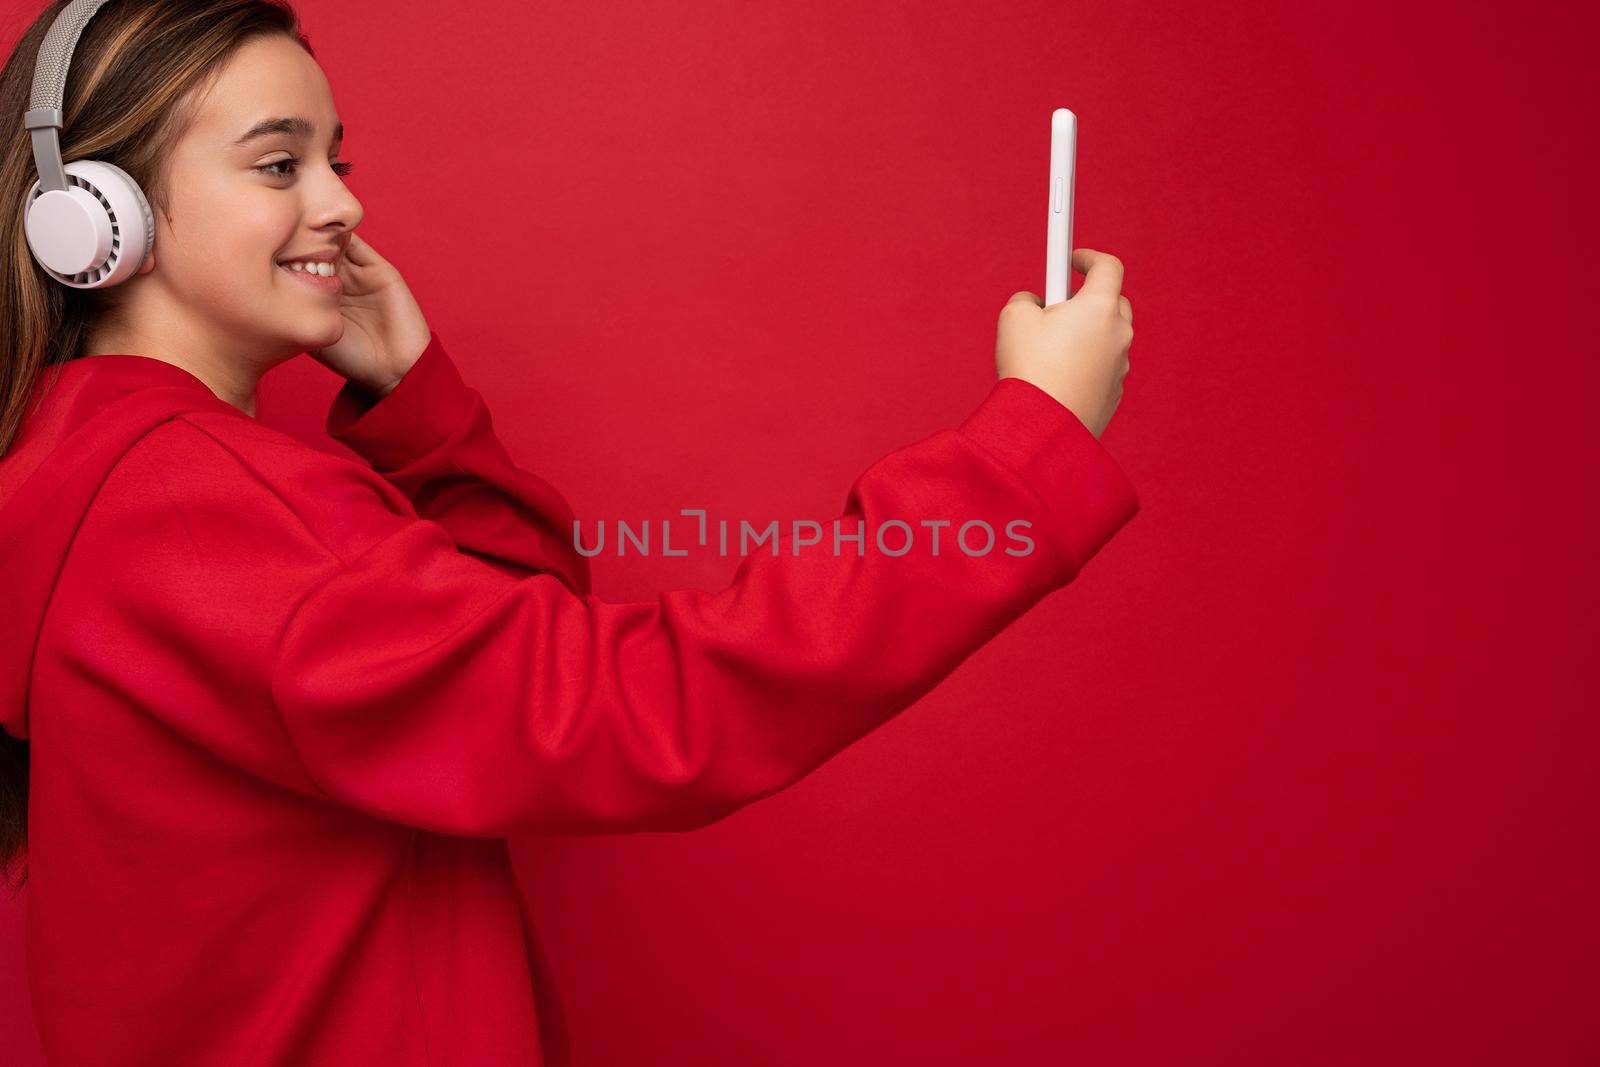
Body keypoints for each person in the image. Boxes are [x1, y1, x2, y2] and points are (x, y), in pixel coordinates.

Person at [0, 1, 1138, 1063]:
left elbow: (481, 696)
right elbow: (611, 709)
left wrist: (420, 411)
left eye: (336, 161)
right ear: (92, 215)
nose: (342, 205)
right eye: (278, 162)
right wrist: (1016, 457)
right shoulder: (208, 506)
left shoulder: (94, 485)